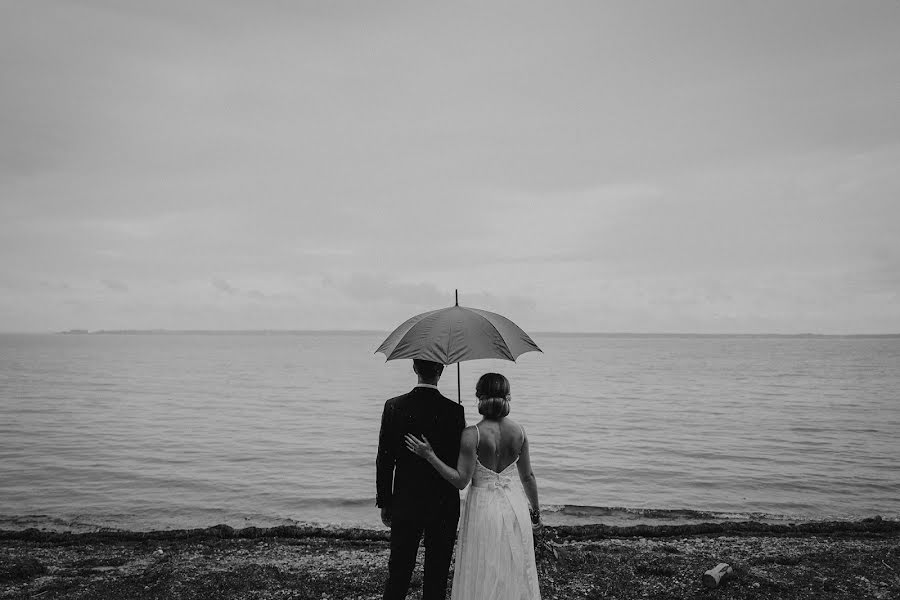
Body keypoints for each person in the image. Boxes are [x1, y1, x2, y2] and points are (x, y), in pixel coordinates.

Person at [405, 372, 541, 600]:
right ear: (507, 396)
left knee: (483, 567)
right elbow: (528, 477)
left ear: (479, 397)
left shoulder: (471, 434)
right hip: (515, 508)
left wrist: (430, 455)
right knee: (514, 568)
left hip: (483, 508)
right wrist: (536, 513)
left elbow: (460, 480)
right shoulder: (520, 432)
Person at [376, 358, 466, 600]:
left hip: (406, 501)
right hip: (444, 503)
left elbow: (384, 459)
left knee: (399, 571)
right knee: (437, 574)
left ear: (414, 368)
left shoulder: (393, 406)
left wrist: (385, 501)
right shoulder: (455, 411)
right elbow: (460, 461)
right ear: (442, 371)